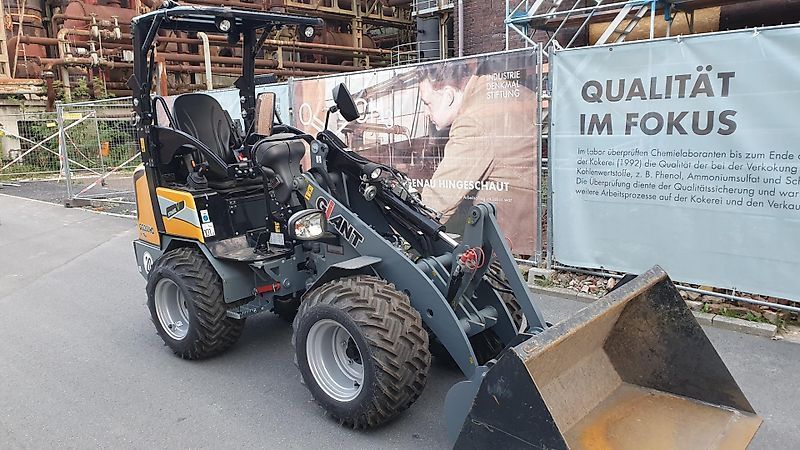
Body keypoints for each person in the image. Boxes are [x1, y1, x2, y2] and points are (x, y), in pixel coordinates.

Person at [416, 60, 538, 253]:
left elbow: (439, 201)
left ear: (448, 95)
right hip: (535, 224)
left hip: (510, 247)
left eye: (427, 103)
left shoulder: (472, 122)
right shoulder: (492, 87)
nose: (425, 112)